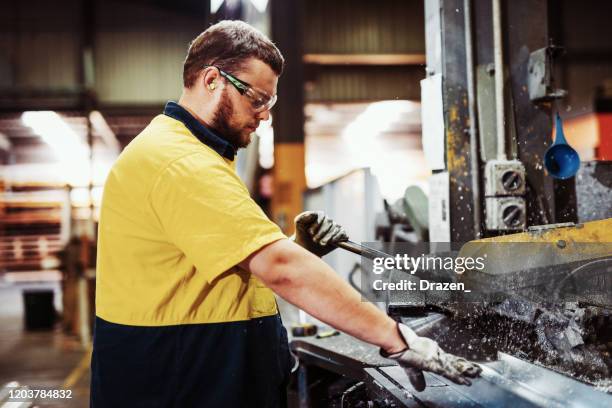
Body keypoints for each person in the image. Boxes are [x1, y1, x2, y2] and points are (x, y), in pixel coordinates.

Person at [91, 20, 480, 408]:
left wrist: (299, 248)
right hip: (179, 384)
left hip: (195, 375)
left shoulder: (189, 154)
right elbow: (281, 267)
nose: (264, 116)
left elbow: (212, 275)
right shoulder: (180, 162)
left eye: (269, 103)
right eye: (256, 99)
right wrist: (397, 340)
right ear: (212, 80)